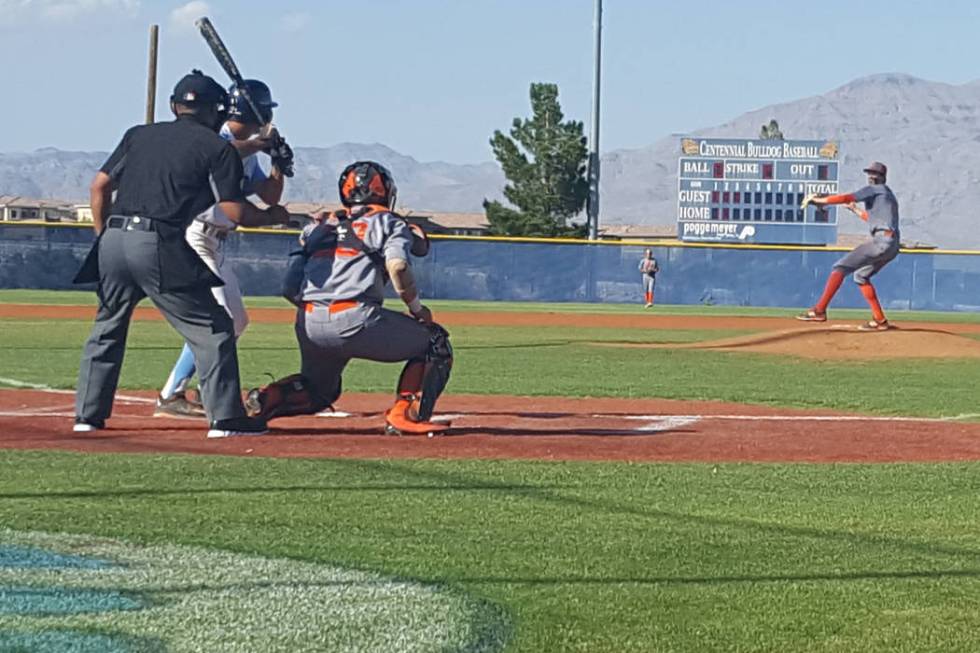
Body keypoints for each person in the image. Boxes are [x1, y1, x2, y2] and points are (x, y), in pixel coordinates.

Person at [73, 70, 290, 438]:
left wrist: (103, 237)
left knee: (107, 328)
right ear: (216, 111)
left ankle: (87, 417)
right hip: (159, 242)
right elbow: (235, 211)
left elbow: (99, 186)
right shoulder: (215, 147)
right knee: (215, 328)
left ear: (175, 106)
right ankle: (225, 419)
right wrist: (272, 216)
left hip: (113, 239)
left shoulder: (138, 134)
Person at [244, 160, 453, 435]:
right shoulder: (387, 222)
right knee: (435, 343)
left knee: (321, 390)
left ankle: (269, 397)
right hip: (355, 316)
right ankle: (406, 415)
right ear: (386, 192)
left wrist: (322, 308)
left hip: (308, 319)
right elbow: (398, 266)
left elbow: (288, 288)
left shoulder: (318, 227)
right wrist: (417, 309)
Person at [154, 79, 293, 419]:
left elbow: (269, 196)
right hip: (194, 234)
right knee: (220, 319)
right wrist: (260, 145)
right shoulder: (217, 137)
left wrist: (278, 163)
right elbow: (221, 153)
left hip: (218, 241)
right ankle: (171, 394)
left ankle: (206, 387)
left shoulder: (249, 146)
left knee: (237, 320)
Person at [796, 161, 899, 331]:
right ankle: (880, 321)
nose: (872, 177)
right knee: (861, 277)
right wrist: (855, 210)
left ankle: (819, 311)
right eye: (870, 173)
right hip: (892, 244)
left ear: (883, 177)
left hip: (882, 242)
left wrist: (820, 201)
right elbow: (875, 221)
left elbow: (846, 197)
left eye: (875, 174)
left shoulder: (875, 189)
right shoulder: (888, 195)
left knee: (840, 267)